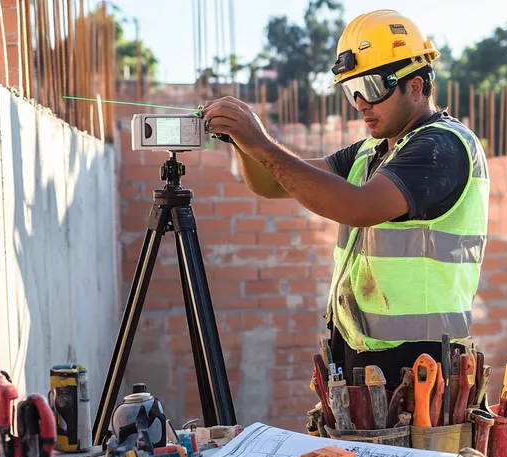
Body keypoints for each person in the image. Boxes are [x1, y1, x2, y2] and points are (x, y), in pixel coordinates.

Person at [203, 9, 489, 391]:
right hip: (362, 351)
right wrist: (243, 143)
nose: (360, 103)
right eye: (351, 89)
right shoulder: (373, 151)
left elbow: (358, 207)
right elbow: (275, 184)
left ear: (416, 86)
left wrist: (261, 143)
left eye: (370, 88)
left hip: (418, 365)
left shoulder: (440, 146)